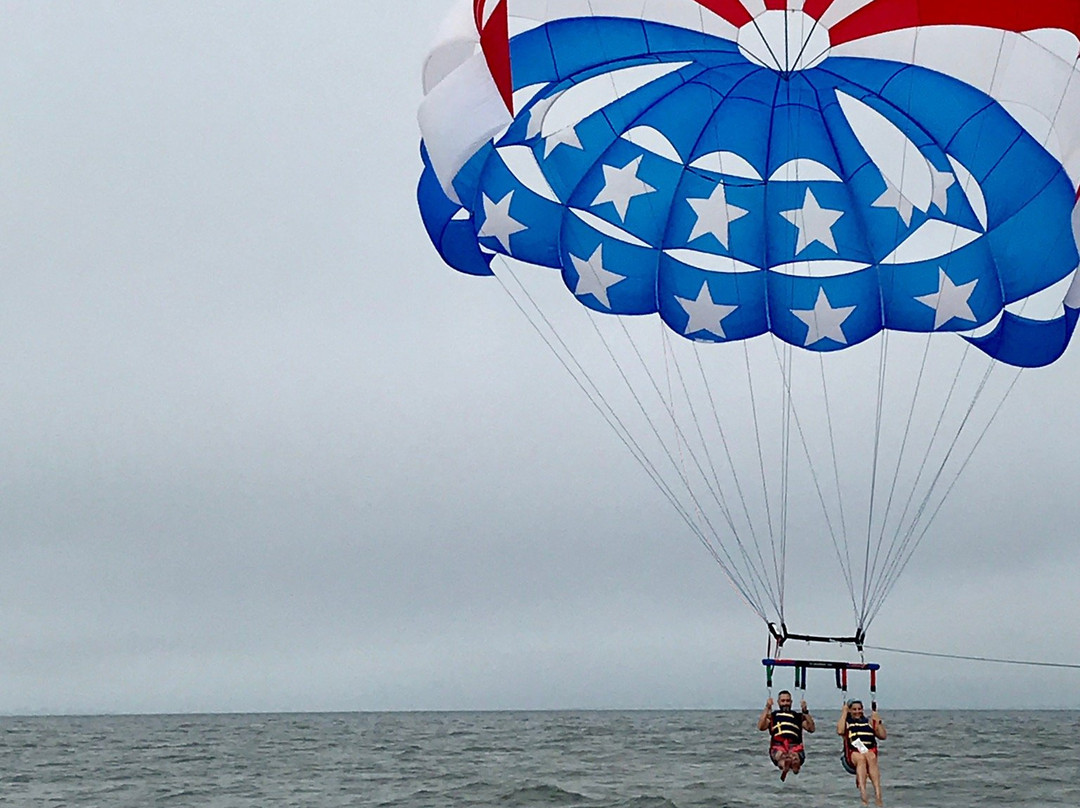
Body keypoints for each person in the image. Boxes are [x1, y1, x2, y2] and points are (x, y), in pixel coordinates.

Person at [837, 699, 887, 806]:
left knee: (871, 757)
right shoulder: (847, 723)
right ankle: (864, 794)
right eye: (854, 709)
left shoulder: (869, 722)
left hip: (869, 754)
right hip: (851, 757)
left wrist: (878, 721)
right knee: (861, 758)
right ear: (850, 710)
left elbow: (883, 736)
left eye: (859, 709)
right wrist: (844, 713)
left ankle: (878, 794)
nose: (857, 711)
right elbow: (840, 731)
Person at [757, 689, 815, 780]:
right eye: (783, 701)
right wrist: (767, 707)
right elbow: (761, 726)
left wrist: (805, 711)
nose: (785, 703)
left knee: (794, 756)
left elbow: (811, 728)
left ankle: (795, 764)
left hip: (795, 745)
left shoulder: (798, 716)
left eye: (787, 701)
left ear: (791, 702)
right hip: (778, 745)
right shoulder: (772, 716)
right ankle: (785, 765)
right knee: (781, 756)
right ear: (778, 702)